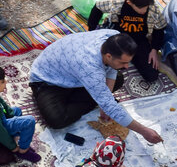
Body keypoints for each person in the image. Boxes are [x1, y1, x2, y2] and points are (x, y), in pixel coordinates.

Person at [29, 30, 162, 143]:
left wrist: (105, 102)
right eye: (123, 62)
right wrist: (144, 131)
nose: (127, 67)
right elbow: (110, 104)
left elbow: (112, 70)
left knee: (118, 79)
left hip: (74, 75)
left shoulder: (114, 37)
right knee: (56, 120)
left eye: (128, 62)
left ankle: (96, 97)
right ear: (108, 56)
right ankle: (93, 98)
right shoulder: (90, 67)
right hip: (48, 81)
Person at [87, 0, 166, 83]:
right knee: (98, 63)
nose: (144, 11)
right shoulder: (118, 2)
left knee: (151, 76)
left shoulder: (152, 8)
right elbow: (97, 7)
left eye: (146, 7)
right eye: (141, 8)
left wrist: (154, 49)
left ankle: (125, 61)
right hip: (117, 38)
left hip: (139, 41)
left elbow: (159, 28)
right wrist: (92, 30)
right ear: (129, 2)